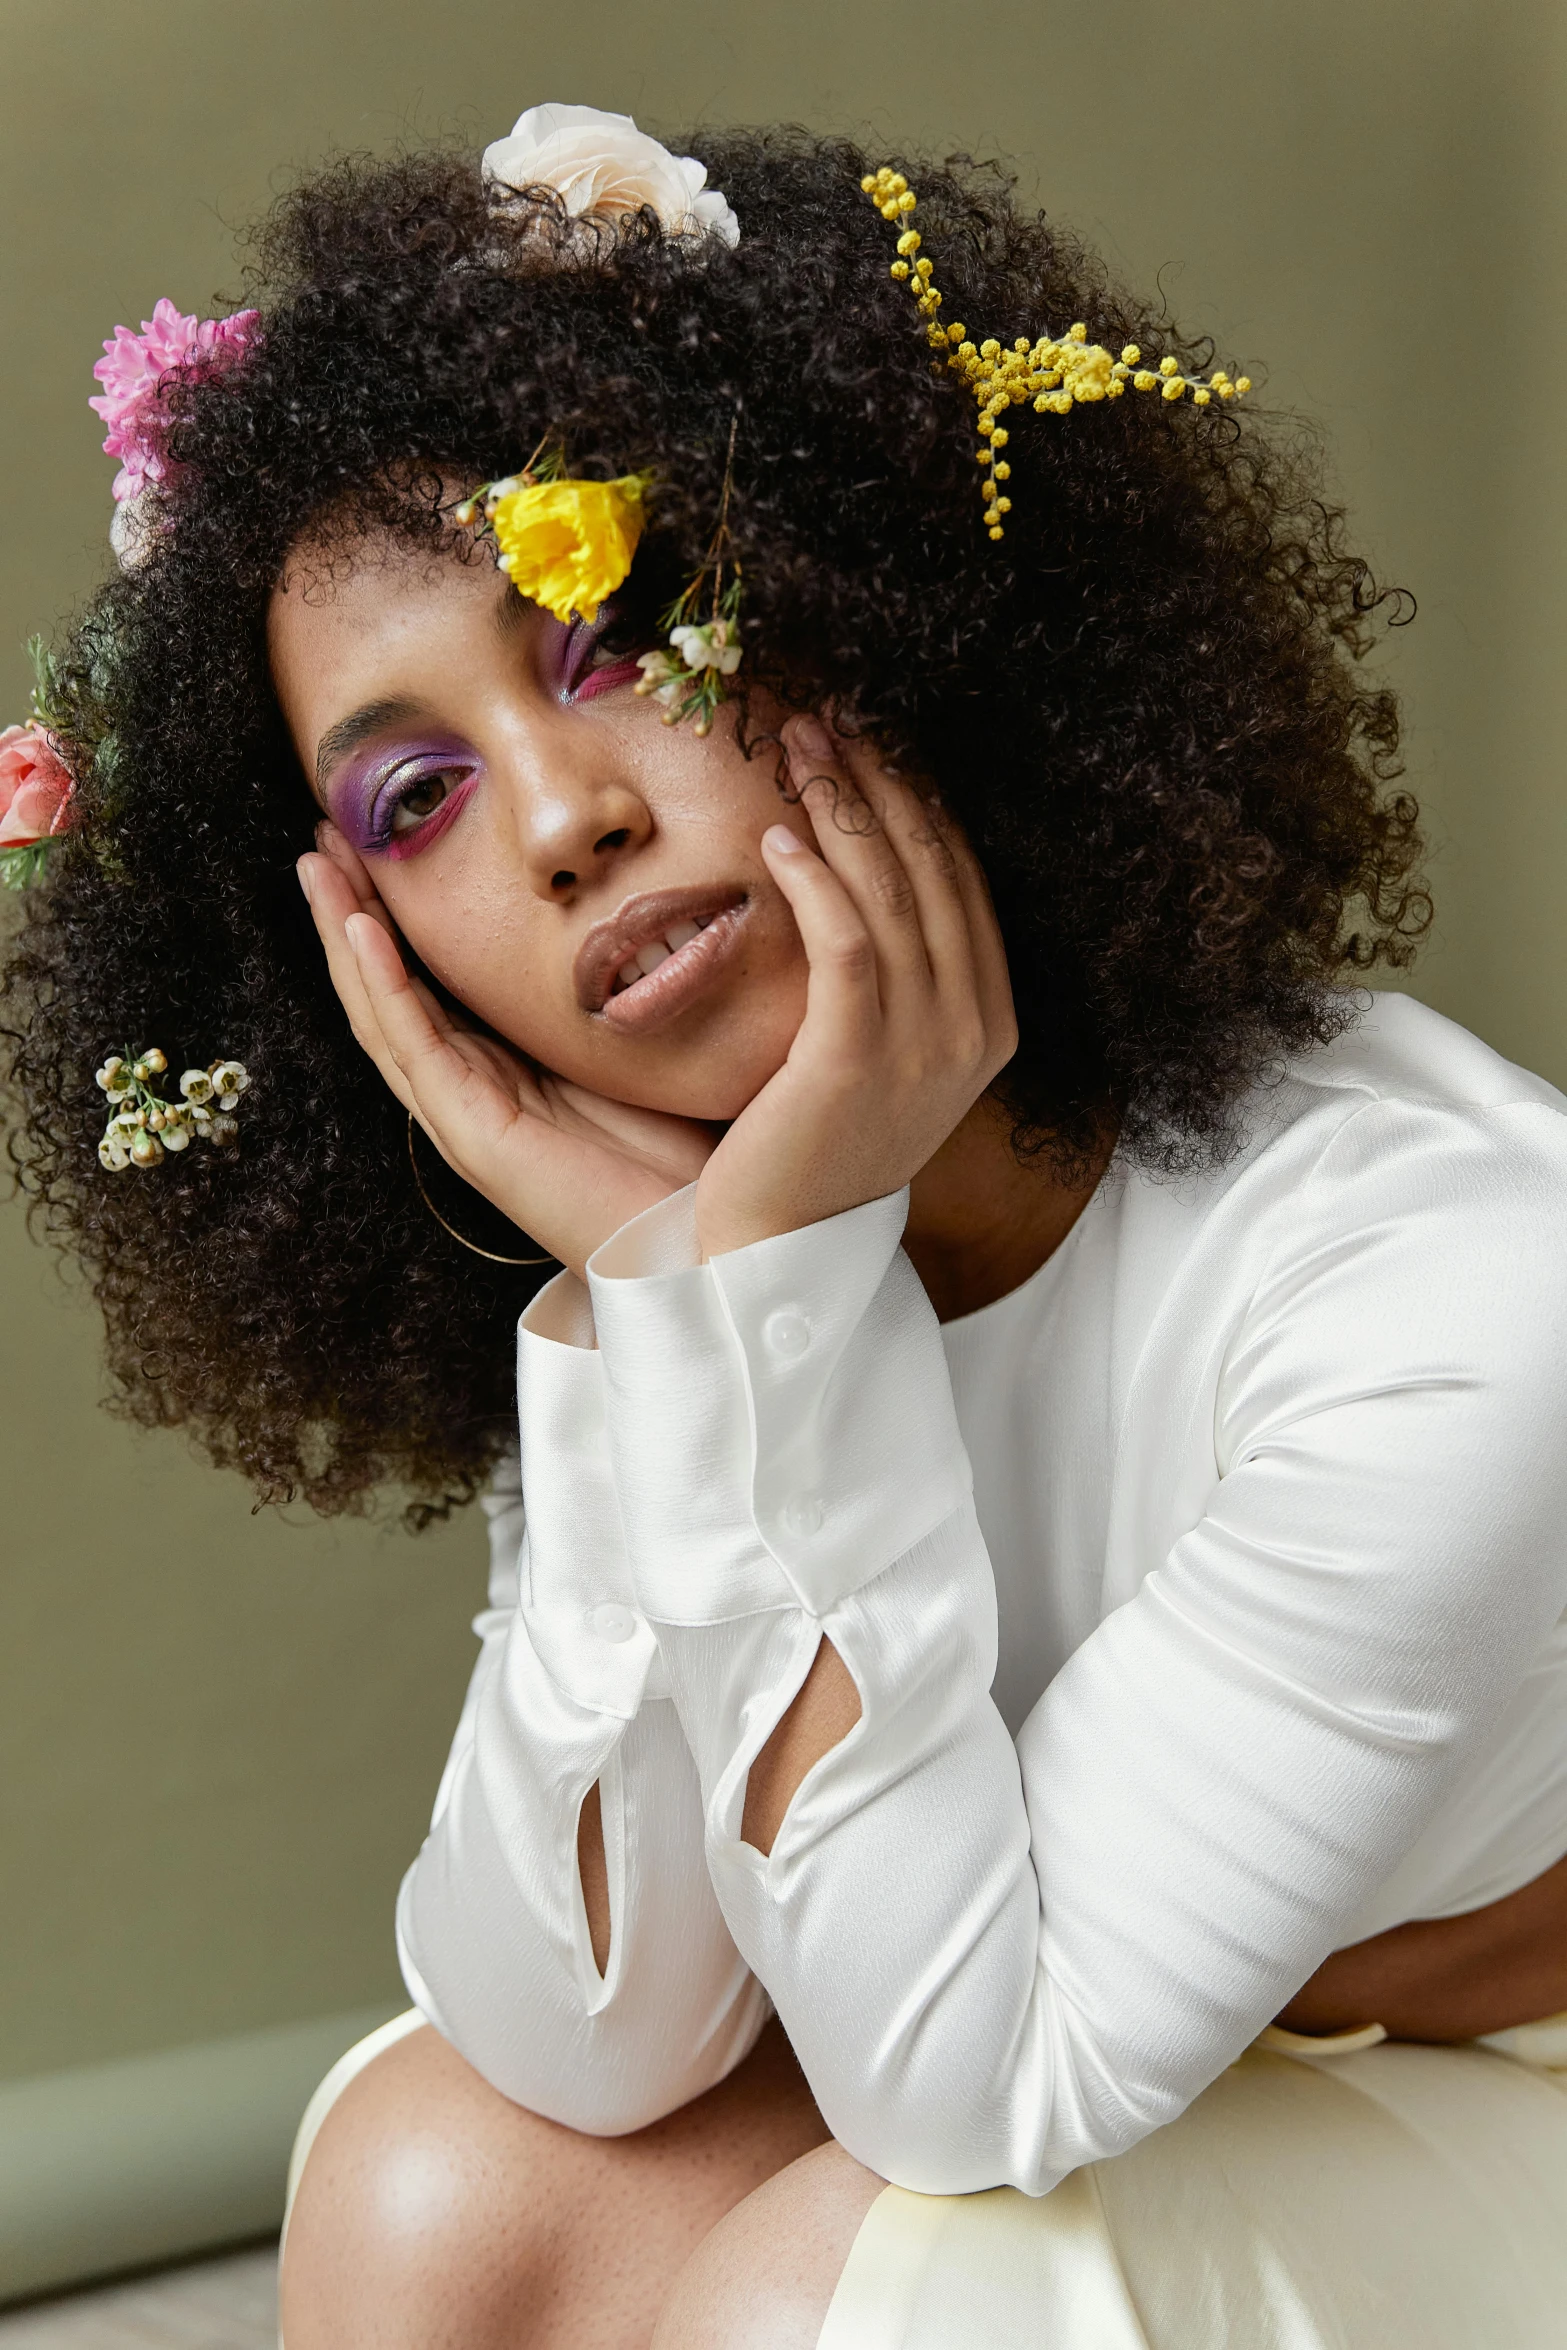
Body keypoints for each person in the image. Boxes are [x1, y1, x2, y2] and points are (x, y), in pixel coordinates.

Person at [4, 100, 1566, 2350]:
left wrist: (770, 1307)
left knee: (870, 2289)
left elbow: (971, 2080)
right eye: (415, 794)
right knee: (436, 2181)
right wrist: (668, 1299)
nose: (563, 821)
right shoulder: (728, 1221)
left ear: (867, 594)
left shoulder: (1443, 1272)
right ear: (376, 942)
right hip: (1175, 2065)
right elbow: (583, 2032)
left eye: (612, 629)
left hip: (1496, 2099)